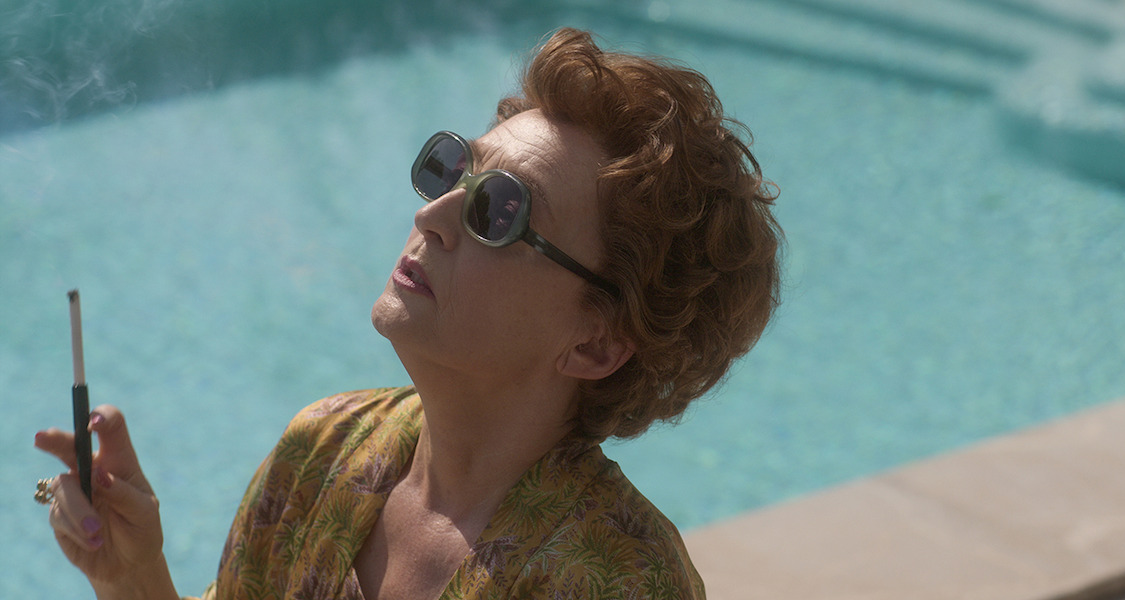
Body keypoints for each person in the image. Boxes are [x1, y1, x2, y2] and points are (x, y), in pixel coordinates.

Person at [34, 27, 782, 600]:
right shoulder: (323, 448)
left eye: (501, 211)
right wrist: (133, 577)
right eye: (456, 169)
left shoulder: (618, 580)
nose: (436, 212)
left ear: (596, 344)